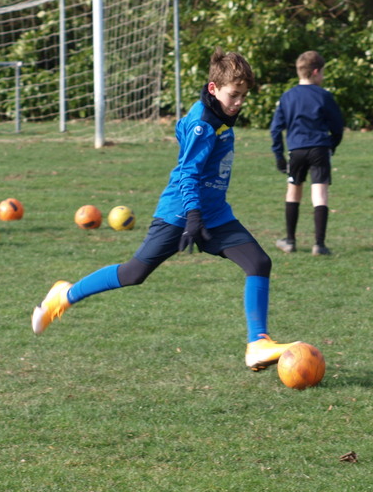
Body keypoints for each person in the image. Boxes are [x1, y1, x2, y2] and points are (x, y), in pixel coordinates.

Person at [32, 48, 298, 372]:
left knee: (258, 262)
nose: (239, 102)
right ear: (214, 88)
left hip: (215, 214)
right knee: (134, 273)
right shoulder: (203, 123)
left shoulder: (218, 115)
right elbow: (188, 173)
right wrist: (193, 216)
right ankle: (64, 295)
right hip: (181, 213)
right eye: (234, 95)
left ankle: (257, 344)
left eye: (243, 96)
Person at [269, 50, 344, 256]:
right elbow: (338, 127)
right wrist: (331, 145)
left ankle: (290, 241)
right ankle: (319, 244)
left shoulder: (288, 96)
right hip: (319, 148)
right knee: (320, 194)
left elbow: (275, 129)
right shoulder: (324, 96)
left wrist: (279, 155)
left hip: (296, 149)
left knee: (293, 191)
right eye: (323, 72)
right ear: (316, 72)